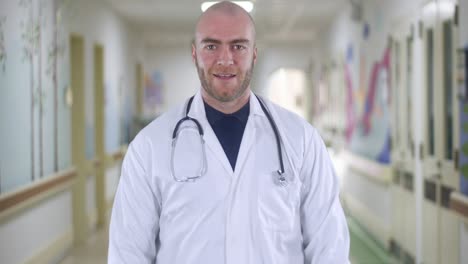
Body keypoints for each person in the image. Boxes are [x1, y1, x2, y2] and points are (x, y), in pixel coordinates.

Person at [108, 1, 350, 263]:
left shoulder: (301, 140)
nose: (225, 59)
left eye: (238, 46)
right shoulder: (149, 147)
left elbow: (329, 248)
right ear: (194, 54)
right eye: (211, 46)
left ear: (254, 54)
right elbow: (128, 253)